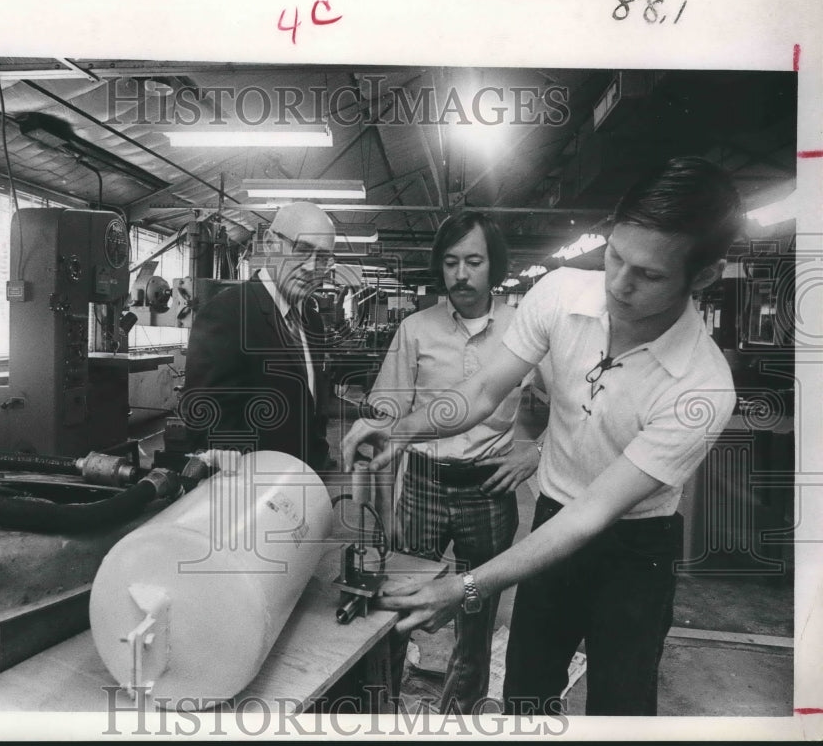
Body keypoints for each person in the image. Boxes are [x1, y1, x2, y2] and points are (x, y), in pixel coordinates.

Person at [342, 157, 743, 715]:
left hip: (635, 547)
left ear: (703, 276)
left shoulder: (702, 387)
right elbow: (483, 392)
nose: (619, 286)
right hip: (553, 514)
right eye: (615, 257)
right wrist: (402, 428)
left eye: (648, 275)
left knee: (620, 707)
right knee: (526, 691)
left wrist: (465, 587)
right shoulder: (559, 295)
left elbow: (594, 515)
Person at [366, 211, 540, 714]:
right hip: (421, 483)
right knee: (399, 604)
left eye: (473, 261)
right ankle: (381, 709)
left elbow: (566, 401)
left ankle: (459, 717)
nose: (461, 274)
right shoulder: (415, 329)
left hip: (489, 487)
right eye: (450, 262)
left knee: (475, 611)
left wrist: (537, 448)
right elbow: (388, 408)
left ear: (494, 267)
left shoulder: (524, 330)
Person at [181, 202, 336, 474]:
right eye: (302, 250)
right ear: (270, 242)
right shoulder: (228, 313)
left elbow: (309, 410)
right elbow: (204, 420)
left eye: (322, 258)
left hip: (300, 487)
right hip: (250, 493)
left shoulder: (311, 319)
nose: (312, 267)